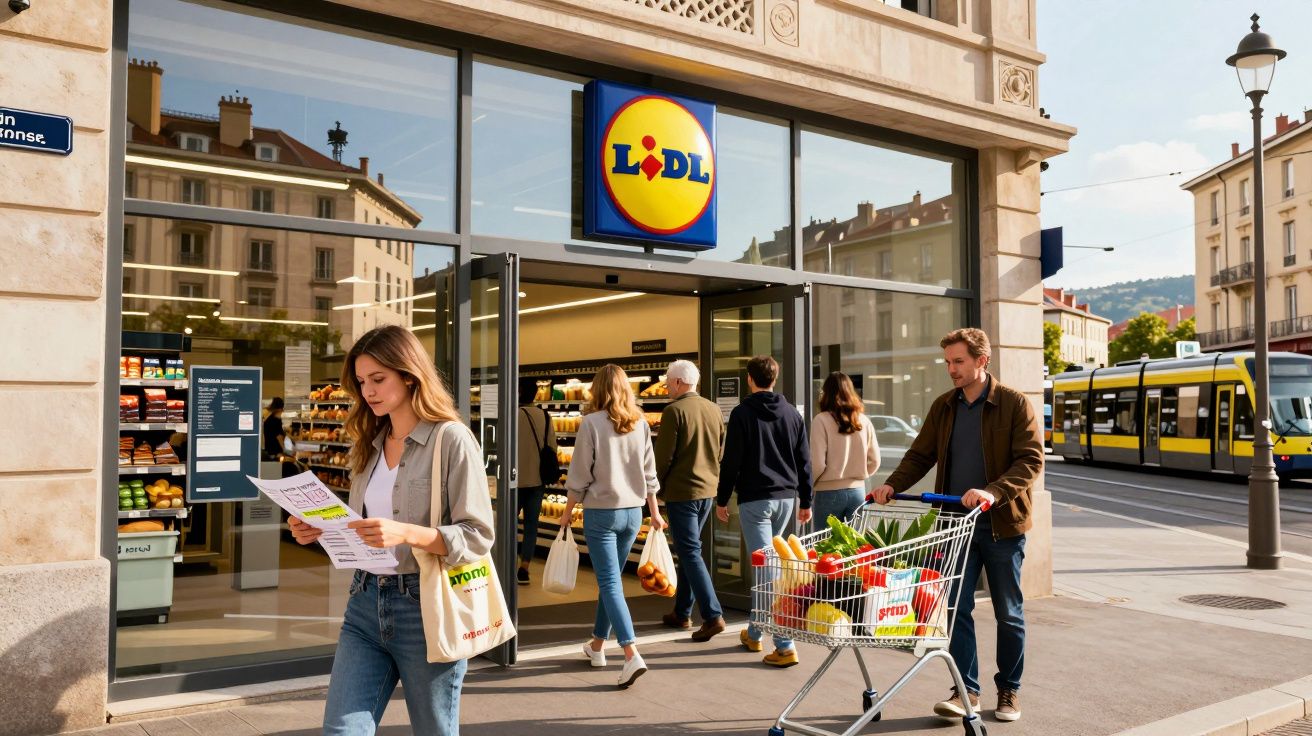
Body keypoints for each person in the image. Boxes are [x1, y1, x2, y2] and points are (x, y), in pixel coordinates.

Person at [289, 325, 494, 735]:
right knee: (341, 730)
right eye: (362, 382)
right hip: (364, 602)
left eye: (378, 379)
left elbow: (477, 535)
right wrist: (321, 529)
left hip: (425, 606)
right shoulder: (370, 442)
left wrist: (406, 533)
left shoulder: (451, 440)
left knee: (434, 729)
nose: (368, 391)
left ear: (409, 374)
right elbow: (368, 524)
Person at [871, 328, 1042, 724]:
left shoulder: (1014, 404)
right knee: (953, 608)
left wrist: (992, 492)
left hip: (1001, 524)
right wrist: (893, 484)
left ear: (982, 361)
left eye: (958, 361)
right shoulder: (944, 406)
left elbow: (1031, 461)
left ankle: (1009, 689)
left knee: (1008, 613)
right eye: (947, 362)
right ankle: (967, 689)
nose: (951, 369)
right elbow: (920, 454)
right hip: (956, 526)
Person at [562, 364, 665, 689]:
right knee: (613, 583)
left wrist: (567, 512)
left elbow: (579, 475)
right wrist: (655, 512)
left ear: (598, 389)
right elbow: (650, 475)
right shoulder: (639, 425)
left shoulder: (591, 423)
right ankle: (596, 646)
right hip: (633, 514)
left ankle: (631, 652)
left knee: (609, 584)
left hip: (602, 515)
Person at [715, 355, 812, 667]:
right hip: (786, 499)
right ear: (776, 376)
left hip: (755, 500)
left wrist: (721, 498)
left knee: (766, 570)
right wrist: (806, 500)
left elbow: (731, 460)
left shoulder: (743, 414)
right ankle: (755, 633)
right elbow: (804, 460)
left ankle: (784, 644)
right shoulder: (792, 414)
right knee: (768, 567)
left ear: (749, 378)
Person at [653, 359, 726, 641]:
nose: (667, 386)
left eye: (669, 381)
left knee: (690, 552)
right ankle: (682, 612)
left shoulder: (674, 411)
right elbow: (720, 449)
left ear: (680, 383)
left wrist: (655, 490)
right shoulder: (713, 408)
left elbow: (664, 457)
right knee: (689, 551)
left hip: (682, 493)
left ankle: (712, 615)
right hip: (707, 491)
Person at [810, 371, 879, 524]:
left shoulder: (821, 420)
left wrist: (809, 486)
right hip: (857, 492)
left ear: (826, 393)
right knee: (853, 545)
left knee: (824, 544)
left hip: (827, 492)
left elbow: (818, 464)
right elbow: (875, 461)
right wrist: (859, 475)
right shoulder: (863, 421)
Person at [516, 377, 557, 585]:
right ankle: (524, 566)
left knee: (507, 525)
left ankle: (504, 560)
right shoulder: (545, 416)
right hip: (536, 480)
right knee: (531, 525)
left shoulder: (510, 415)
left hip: (513, 482)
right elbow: (552, 447)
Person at [262, 396, 286, 462]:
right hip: (275, 451)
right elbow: (279, 437)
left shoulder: (270, 419)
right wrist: (285, 450)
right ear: (280, 408)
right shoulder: (275, 421)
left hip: (270, 449)